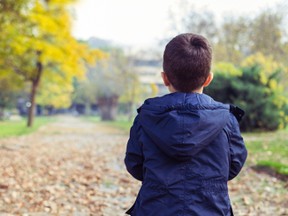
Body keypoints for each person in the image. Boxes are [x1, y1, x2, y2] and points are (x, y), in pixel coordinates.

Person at [124, 33, 247, 216]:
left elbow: (134, 163)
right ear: (208, 79)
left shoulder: (146, 118)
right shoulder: (226, 120)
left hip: (154, 210)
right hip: (212, 209)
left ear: (165, 78)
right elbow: (234, 165)